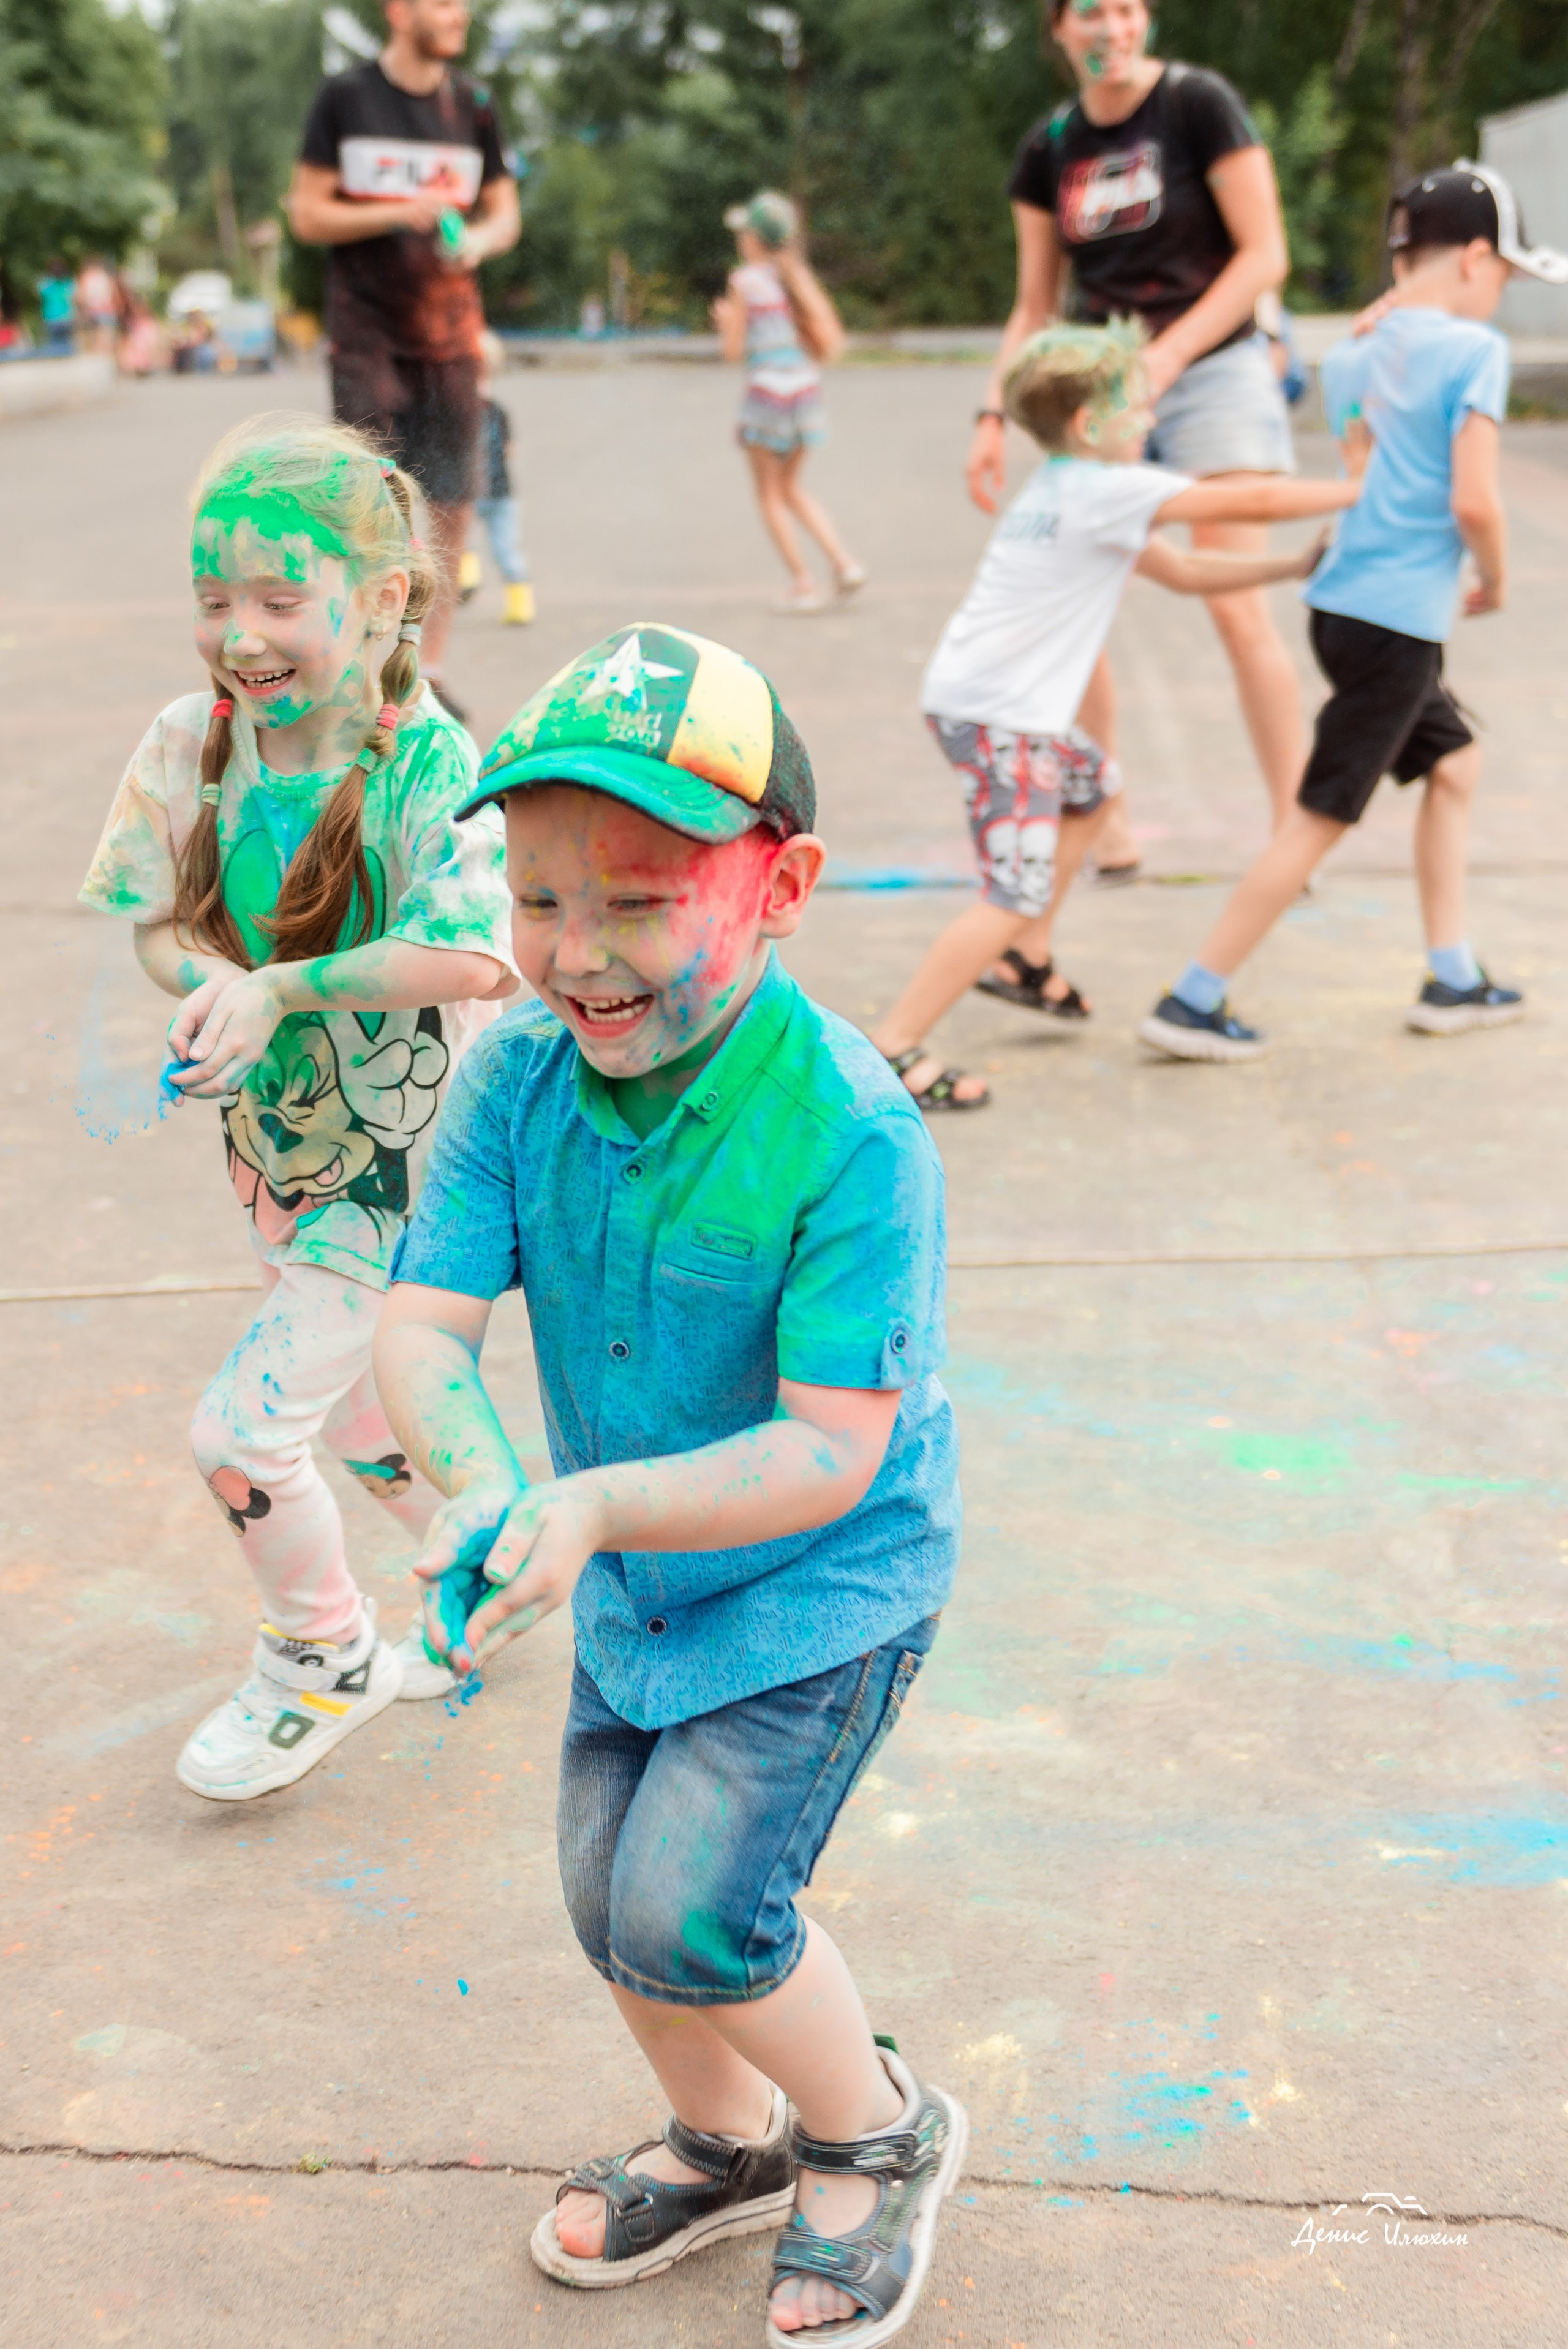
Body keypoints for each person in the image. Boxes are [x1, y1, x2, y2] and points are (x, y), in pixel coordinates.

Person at [372, 622, 966, 2341]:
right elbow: (422, 1327)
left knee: (699, 1907)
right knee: (605, 1898)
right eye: (536, 898)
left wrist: (592, 1509)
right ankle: (730, 2136)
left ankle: (876, 2128)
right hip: (630, 1575)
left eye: (635, 900)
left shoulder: (849, 1128)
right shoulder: (514, 1077)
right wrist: (491, 1498)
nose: (575, 952)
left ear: (782, 887)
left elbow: (831, 1446)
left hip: (819, 1585)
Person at [77, 415, 518, 1800]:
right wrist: (214, 983)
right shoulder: (191, 742)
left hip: (408, 1169)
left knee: (243, 1433)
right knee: (372, 1411)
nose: (241, 636)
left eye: (279, 599)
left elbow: (473, 954)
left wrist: (281, 988)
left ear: (385, 599)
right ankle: (507, 1552)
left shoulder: (429, 762)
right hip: (278, 1152)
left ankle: (321, 1655)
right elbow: (155, 924)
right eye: (214, 600)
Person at [869, 322, 1360, 1109]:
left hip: (991, 707)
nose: (1150, 419)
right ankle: (894, 1046)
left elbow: (1186, 568)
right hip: (1001, 718)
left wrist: (1291, 565)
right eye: (1137, 405)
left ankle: (1024, 957)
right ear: (1088, 424)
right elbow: (1254, 496)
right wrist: (1356, 487)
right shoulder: (1104, 489)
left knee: (1092, 785)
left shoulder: (1065, 486)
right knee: (1010, 890)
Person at [1139, 164, 1568, 1063]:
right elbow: (1476, 502)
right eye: (1503, 274)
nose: (1499, 293)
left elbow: (1363, 463)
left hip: (1343, 607)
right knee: (1321, 815)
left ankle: (1452, 976)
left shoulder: (1352, 352)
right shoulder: (1475, 352)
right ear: (1475, 259)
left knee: (1454, 763)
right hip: (1397, 621)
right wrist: (1496, 579)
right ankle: (1192, 997)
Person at [967, 0, 1298, 890]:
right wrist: (992, 414)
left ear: (1144, 18)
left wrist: (1169, 357)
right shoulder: (1049, 148)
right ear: (1059, 29)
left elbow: (1265, 256)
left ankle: (1293, 830)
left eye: (1124, 8)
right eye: (1088, 12)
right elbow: (1034, 306)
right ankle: (1105, 820)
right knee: (1075, 601)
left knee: (1236, 602)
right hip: (1103, 390)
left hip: (1214, 367)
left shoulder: (1196, 104)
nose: (1108, 28)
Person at [287, 0, 521, 721]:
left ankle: (427, 671)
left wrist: (478, 242)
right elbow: (307, 214)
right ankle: (362, 669)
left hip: (450, 337)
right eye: (442, 2)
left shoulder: (474, 104)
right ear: (398, 10)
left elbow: (505, 215)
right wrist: (393, 210)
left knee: (452, 504)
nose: (459, 14)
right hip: (368, 337)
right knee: (368, 500)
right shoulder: (346, 98)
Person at [712, 191, 866, 614]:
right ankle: (844, 563)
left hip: (767, 394)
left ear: (754, 239)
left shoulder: (744, 282)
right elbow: (828, 342)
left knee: (769, 493)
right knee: (792, 487)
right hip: (805, 393)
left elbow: (732, 351)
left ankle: (802, 582)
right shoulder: (798, 278)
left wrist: (727, 323)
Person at [458, 328, 534, 624]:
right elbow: (509, 450)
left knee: (491, 546)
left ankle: (513, 601)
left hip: (491, 492)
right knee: (472, 541)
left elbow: (508, 449)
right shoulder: (496, 411)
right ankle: (471, 582)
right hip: (488, 490)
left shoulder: (494, 411)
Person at [37, 263, 77, 355]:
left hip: (53, 318)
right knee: (65, 347)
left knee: (55, 347)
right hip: (63, 317)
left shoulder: (46, 284)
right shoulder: (68, 284)